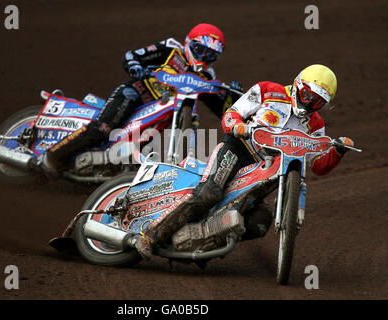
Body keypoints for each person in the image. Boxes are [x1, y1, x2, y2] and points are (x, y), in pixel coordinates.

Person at [136, 64, 355, 259]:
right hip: (239, 148)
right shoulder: (268, 90)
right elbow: (232, 114)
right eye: (308, 94)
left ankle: (202, 247)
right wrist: (238, 126)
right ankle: (151, 236)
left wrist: (338, 151)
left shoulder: (316, 125)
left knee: (260, 221)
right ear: (298, 83)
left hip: (268, 169)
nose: (310, 103)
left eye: (318, 101)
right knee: (209, 193)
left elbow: (318, 165)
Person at [40, 23, 242, 177]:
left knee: (136, 161)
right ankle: (52, 157)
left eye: (211, 54)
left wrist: (232, 95)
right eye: (201, 50)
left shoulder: (207, 78)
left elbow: (222, 109)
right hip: (136, 93)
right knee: (101, 129)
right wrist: (136, 67)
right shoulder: (172, 48)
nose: (205, 57)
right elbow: (132, 55)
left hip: (158, 117)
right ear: (189, 43)